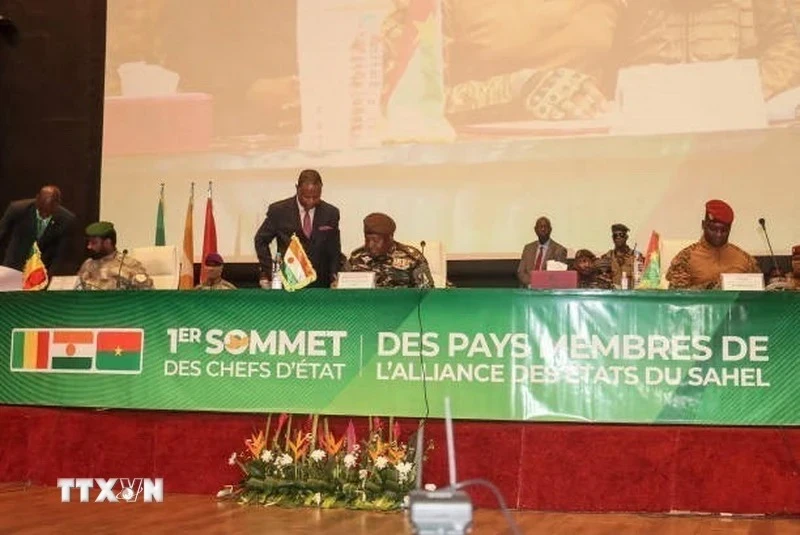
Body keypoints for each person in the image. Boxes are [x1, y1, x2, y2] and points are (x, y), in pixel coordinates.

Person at [383, 0, 623, 125]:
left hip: (597, 163)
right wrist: (517, 88)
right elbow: (401, 102)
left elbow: (651, 86)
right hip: (473, 171)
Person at [610, 0, 800, 100]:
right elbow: (593, 52)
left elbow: (790, 40)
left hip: (736, 123)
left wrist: (753, 89)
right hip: (649, 119)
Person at [254, 169, 341, 288]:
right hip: (289, 282)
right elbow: (260, 240)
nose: (311, 201)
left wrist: (334, 276)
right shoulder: (279, 211)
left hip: (321, 284)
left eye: (316, 197)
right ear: (297, 188)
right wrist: (270, 270)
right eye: (306, 197)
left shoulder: (331, 213)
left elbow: (334, 249)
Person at [665, 199, 761, 290]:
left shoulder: (745, 259)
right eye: (713, 229)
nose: (718, 235)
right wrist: (710, 287)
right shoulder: (685, 258)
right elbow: (677, 296)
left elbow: (759, 293)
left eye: (724, 230)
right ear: (703, 225)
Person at [0, 185, 77, 275]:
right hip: (14, 267)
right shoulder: (17, 209)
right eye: (41, 211)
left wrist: (51, 277)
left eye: (48, 212)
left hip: (43, 271)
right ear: (37, 199)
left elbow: (61, 254)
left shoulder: (67, 220)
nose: (44, 215)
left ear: (57, 204)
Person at [345, 213, 434, 289]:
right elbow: (343, 288)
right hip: (365, 307)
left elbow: (427, 293)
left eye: (375, 241)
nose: (370, 245)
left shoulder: (412, 257)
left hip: (402, 307)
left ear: (390, 238)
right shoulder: (356, 257)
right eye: (367, 240)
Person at [76, 221, 153, 290]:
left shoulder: (129, 264)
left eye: (94, 243)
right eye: (89, 243)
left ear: (107, 243)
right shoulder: (87, 265)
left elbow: (147, 294)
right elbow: (76, 294)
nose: (89, 246)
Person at [517, 217, 568, 287]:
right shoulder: (528, 248)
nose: (543, 229)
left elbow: (558, 276)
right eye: (540, 227)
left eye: (545, 227)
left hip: (548, 292)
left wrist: (541, 284)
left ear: (550, 230)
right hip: (529, 290)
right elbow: (521, 272)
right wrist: (531, 284)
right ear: (535, 230)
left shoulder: (559, 250)